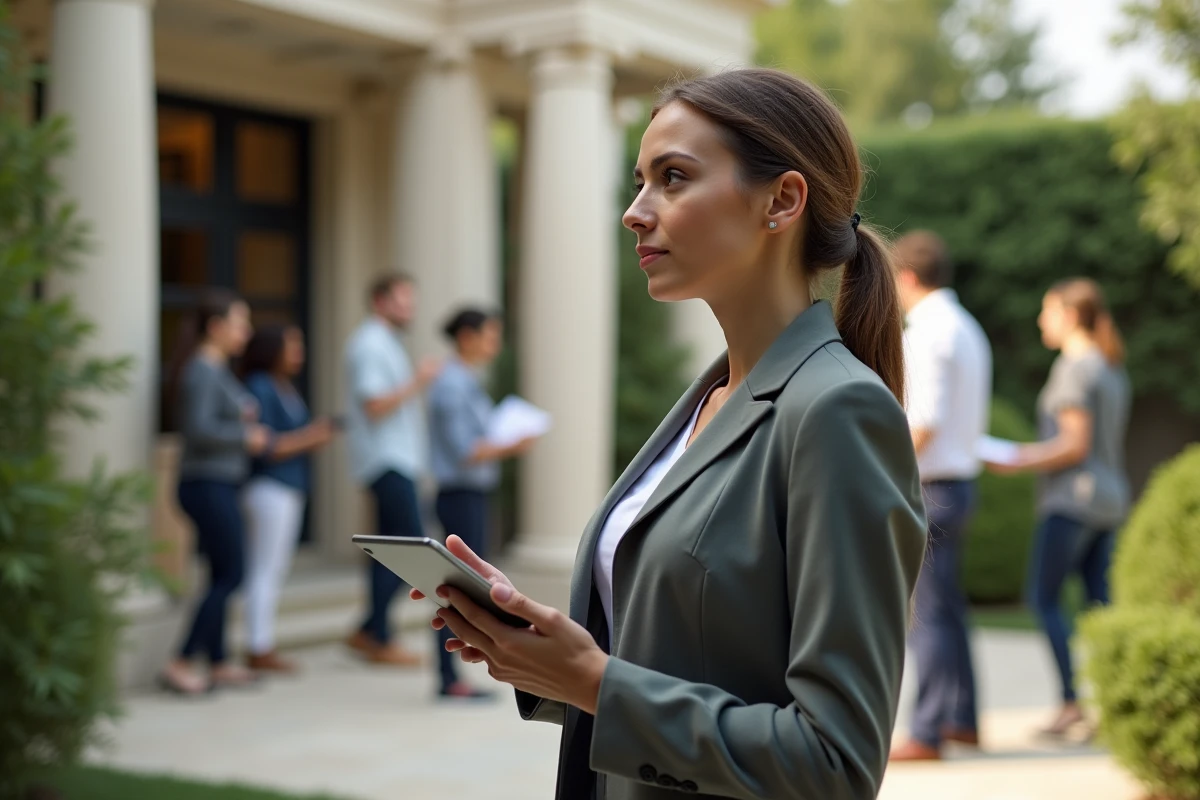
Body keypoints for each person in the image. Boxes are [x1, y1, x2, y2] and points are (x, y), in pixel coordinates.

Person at [413, 68, 927, 799]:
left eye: (673, 177)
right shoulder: (709, 399)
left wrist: (595, 682)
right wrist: (546, 661)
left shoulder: (837, 411)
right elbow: (679, 663)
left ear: (781, 201)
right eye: (639, 180)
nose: (634, 211)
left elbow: (834, 763)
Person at [986, 278, 1130, 738]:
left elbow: (1074, 445)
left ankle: (1071, 704)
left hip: (1073, 501)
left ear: (1069, 316)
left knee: (1043, 598)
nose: (1039, 321)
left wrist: (1018, 458)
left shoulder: (1074, 369)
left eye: (1046, 312)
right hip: (1109, 500)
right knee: (1099, 606)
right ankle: (1115, 704)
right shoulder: (1110, 367)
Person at [888, 232, 993, 762]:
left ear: (907, 277)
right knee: (948, 608)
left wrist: (877, 467)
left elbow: (923, 423)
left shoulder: (928, 332)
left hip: (930, 487)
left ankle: (926, 732)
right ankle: (962, 720)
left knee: (926, 613)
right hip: (958, 483)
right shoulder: (967, 327)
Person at [160, 289, 270, 695]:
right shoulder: (203, 369)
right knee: (232, 572)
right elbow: (199, 429)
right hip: (206, 484)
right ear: (216, 326)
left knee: (218, 571)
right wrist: (246, 438)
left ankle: (219, 660)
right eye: (241, 323)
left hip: (217, 483)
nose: (247, 332)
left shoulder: (216, 369)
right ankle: (181, 660)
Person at [427, 307, 539, 699]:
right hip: (459, 493)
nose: (495, 343)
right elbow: (464, 450)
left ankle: (451, 676)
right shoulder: (452, 384)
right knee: (457, 588)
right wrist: (512, 445)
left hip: (469, 493)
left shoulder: (465, 380)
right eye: (490, 335)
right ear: (467, 337)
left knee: (460, 586)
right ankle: (447, 678)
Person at [343, 273, 442, 666]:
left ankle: (373, 630)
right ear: (379, 301)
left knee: (392, 551)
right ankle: (374, 631)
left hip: (395, 461)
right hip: (387, 461)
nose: (410, 309)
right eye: (402, 300)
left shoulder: (383, 342)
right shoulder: (369, 344)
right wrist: (417, 381)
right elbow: (374, 405)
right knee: (409, 549)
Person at [239, 325, 338, 674]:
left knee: (273, 567)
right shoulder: (260, 387)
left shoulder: (284, 387)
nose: (299, 351)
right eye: (291, 343)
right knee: (265, 567)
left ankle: (262, 642)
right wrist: (312, 436)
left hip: (287, 488)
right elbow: (267, 445)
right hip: (269, 487)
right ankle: (258, 646)